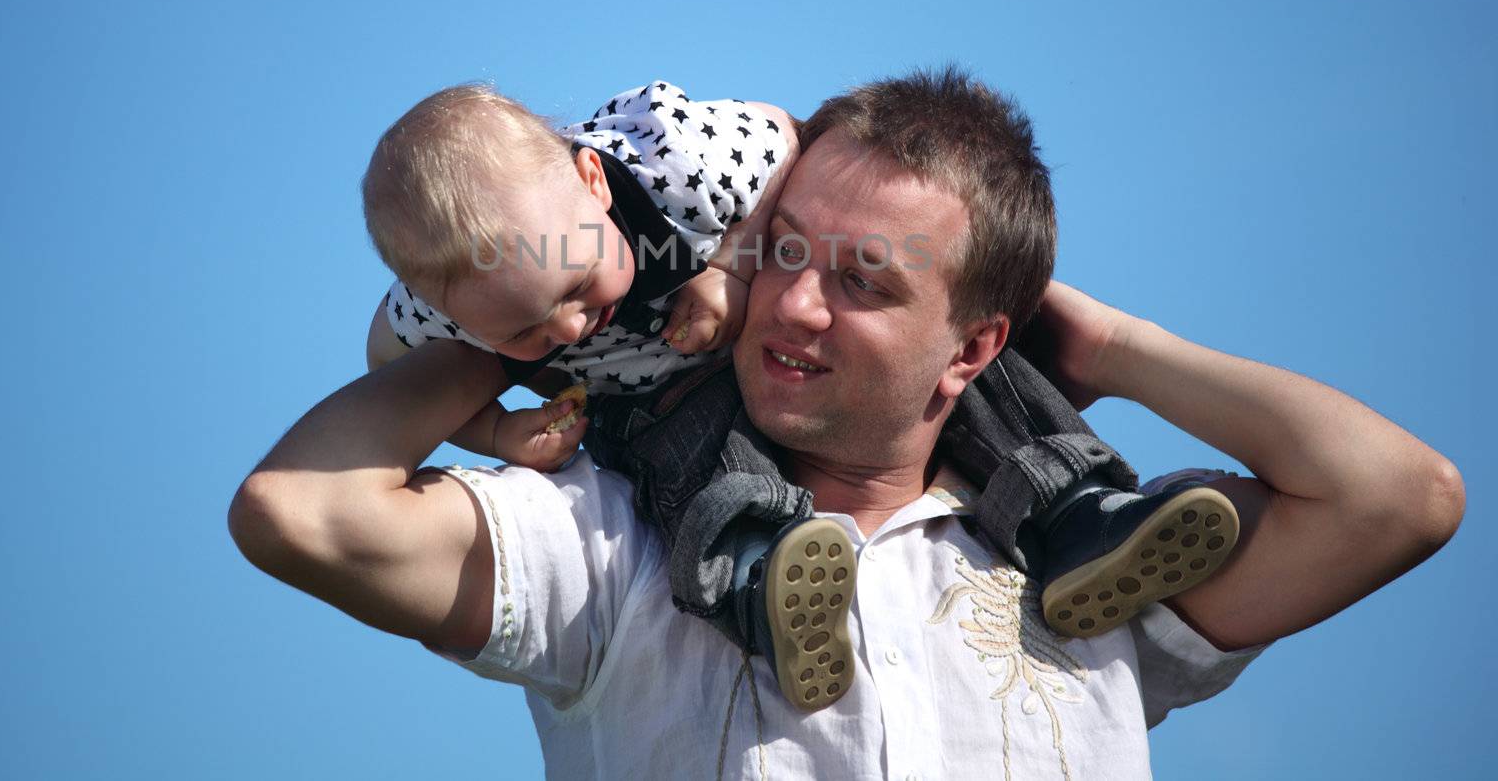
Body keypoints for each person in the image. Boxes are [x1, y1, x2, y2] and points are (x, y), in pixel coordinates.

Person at [230, 69, 1463, 778]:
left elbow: (1399, 498)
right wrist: (493, 327)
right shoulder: (602, 541)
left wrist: (1108, 348)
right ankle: (755, 567)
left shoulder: (1097, 590)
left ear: (978, 344)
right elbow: (297, 510)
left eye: (864, 280)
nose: (793, 302)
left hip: (1056, 526)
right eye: (780, 253)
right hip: (677, 518)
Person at [354, 75, 1240, 710]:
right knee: (682, 456)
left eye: (578, 283)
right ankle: (758, 580)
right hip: (663, 402)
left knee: (978, 375)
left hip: (758, 344)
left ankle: (1079, 513)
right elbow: (386, 361)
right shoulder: (434, 314)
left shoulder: (667, 161)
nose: (572, 330)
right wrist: (500, 429)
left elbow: (783, 135)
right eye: (526, 333)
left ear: (591, 180)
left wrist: (731, 265)